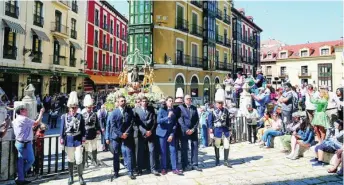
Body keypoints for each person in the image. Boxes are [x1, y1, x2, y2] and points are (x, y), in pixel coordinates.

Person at [12, 104, 44, 185]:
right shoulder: (24, 119)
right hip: (25, 143)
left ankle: (20, 178)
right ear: (21, 111)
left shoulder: (16, 119)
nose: (27, 111)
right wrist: (41, 112)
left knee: (21, 161)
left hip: (19, 143)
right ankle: (20, 176)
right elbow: (36, 123)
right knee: (31, 160)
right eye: (25, 110)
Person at [105, 96, 135, 180]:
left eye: (124, 100)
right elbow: (113, 126)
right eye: (121, 101)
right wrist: (120, 134)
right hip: (116, 137)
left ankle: (130, 171)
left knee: (128, 153)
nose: (123, 102)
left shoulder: (129, 111)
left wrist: (126, 133)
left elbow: (131, 122)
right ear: (118, 102)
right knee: (116, 154)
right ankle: (116, 172)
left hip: (126, 135)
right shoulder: (114, 113)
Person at [60, 91, 86, 185]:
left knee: (79, 159)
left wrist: (84, 137)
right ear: (69, 108)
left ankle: (80, 177)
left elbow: (83, 129)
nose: (73, 109)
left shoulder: (80, 116)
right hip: (69, 140)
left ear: (77, 108)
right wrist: (61, 138)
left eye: (75, 108)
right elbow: (62, 128)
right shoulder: (64, 117)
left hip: (78, 140)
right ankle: (70, 176)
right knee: (70, 159)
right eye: (72, 108)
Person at [156, 97, 183, 175]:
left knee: (173, 150)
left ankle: (174, 168)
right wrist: (167, 117)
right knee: (163, 151)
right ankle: (164, 168)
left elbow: (175, 124)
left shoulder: (173, 111)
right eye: (169, 101)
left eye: (172, 101)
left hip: (170, 134)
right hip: (162, 133)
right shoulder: (161, 110)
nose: (171, 102)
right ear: (166, 102)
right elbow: (158, 121)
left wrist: (172, 134)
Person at [208, 88, 233, 167]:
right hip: (217, 130)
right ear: (216, 103)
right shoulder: (212, 111)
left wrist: (230, 129)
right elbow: (210, 121)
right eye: (219, 103)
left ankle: (226, 161)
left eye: (221, 103)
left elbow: (228, 120)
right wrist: (211, 129)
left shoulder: (226, 110)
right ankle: (217, 160)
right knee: (217, 144)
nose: (220, 104)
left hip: (225, 130)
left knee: (227, 145)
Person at [176, 94, 201, 171]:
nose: (189, 100)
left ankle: (195, 164)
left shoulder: (194, 108)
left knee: (195, 146)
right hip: (184, 131)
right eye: (187, 99)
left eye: (190, 99)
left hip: (193, 131)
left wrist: (193, 129)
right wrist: (186, 129)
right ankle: (185, 164)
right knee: (184, 148)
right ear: (184, 100)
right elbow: (180, 120)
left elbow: (197, 119)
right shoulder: (180, 108)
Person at [135, 96, 159, 176]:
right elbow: (137, 123)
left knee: (152, 151)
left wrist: (150, 131)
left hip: (150, 134)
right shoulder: (136, 111)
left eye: (146, 101)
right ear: (140, 102)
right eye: (143, 101)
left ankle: (153, 169)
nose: (145, 102)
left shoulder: (151, 109)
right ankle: (139, 169)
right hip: (141, 134)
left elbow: (154, 121)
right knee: (140, 152)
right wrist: (145, 131)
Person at [82, 94, 101, 168]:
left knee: (94, 147)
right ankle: (85, 161)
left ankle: (94, 160)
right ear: (86, 107)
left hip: (93, 133)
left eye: (90, 107)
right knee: (85, 148)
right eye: (88, 107)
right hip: (86, 133)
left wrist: (98, 130)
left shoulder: (94, 114)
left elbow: (97, 123)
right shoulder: (82, 115)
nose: (89, 109)